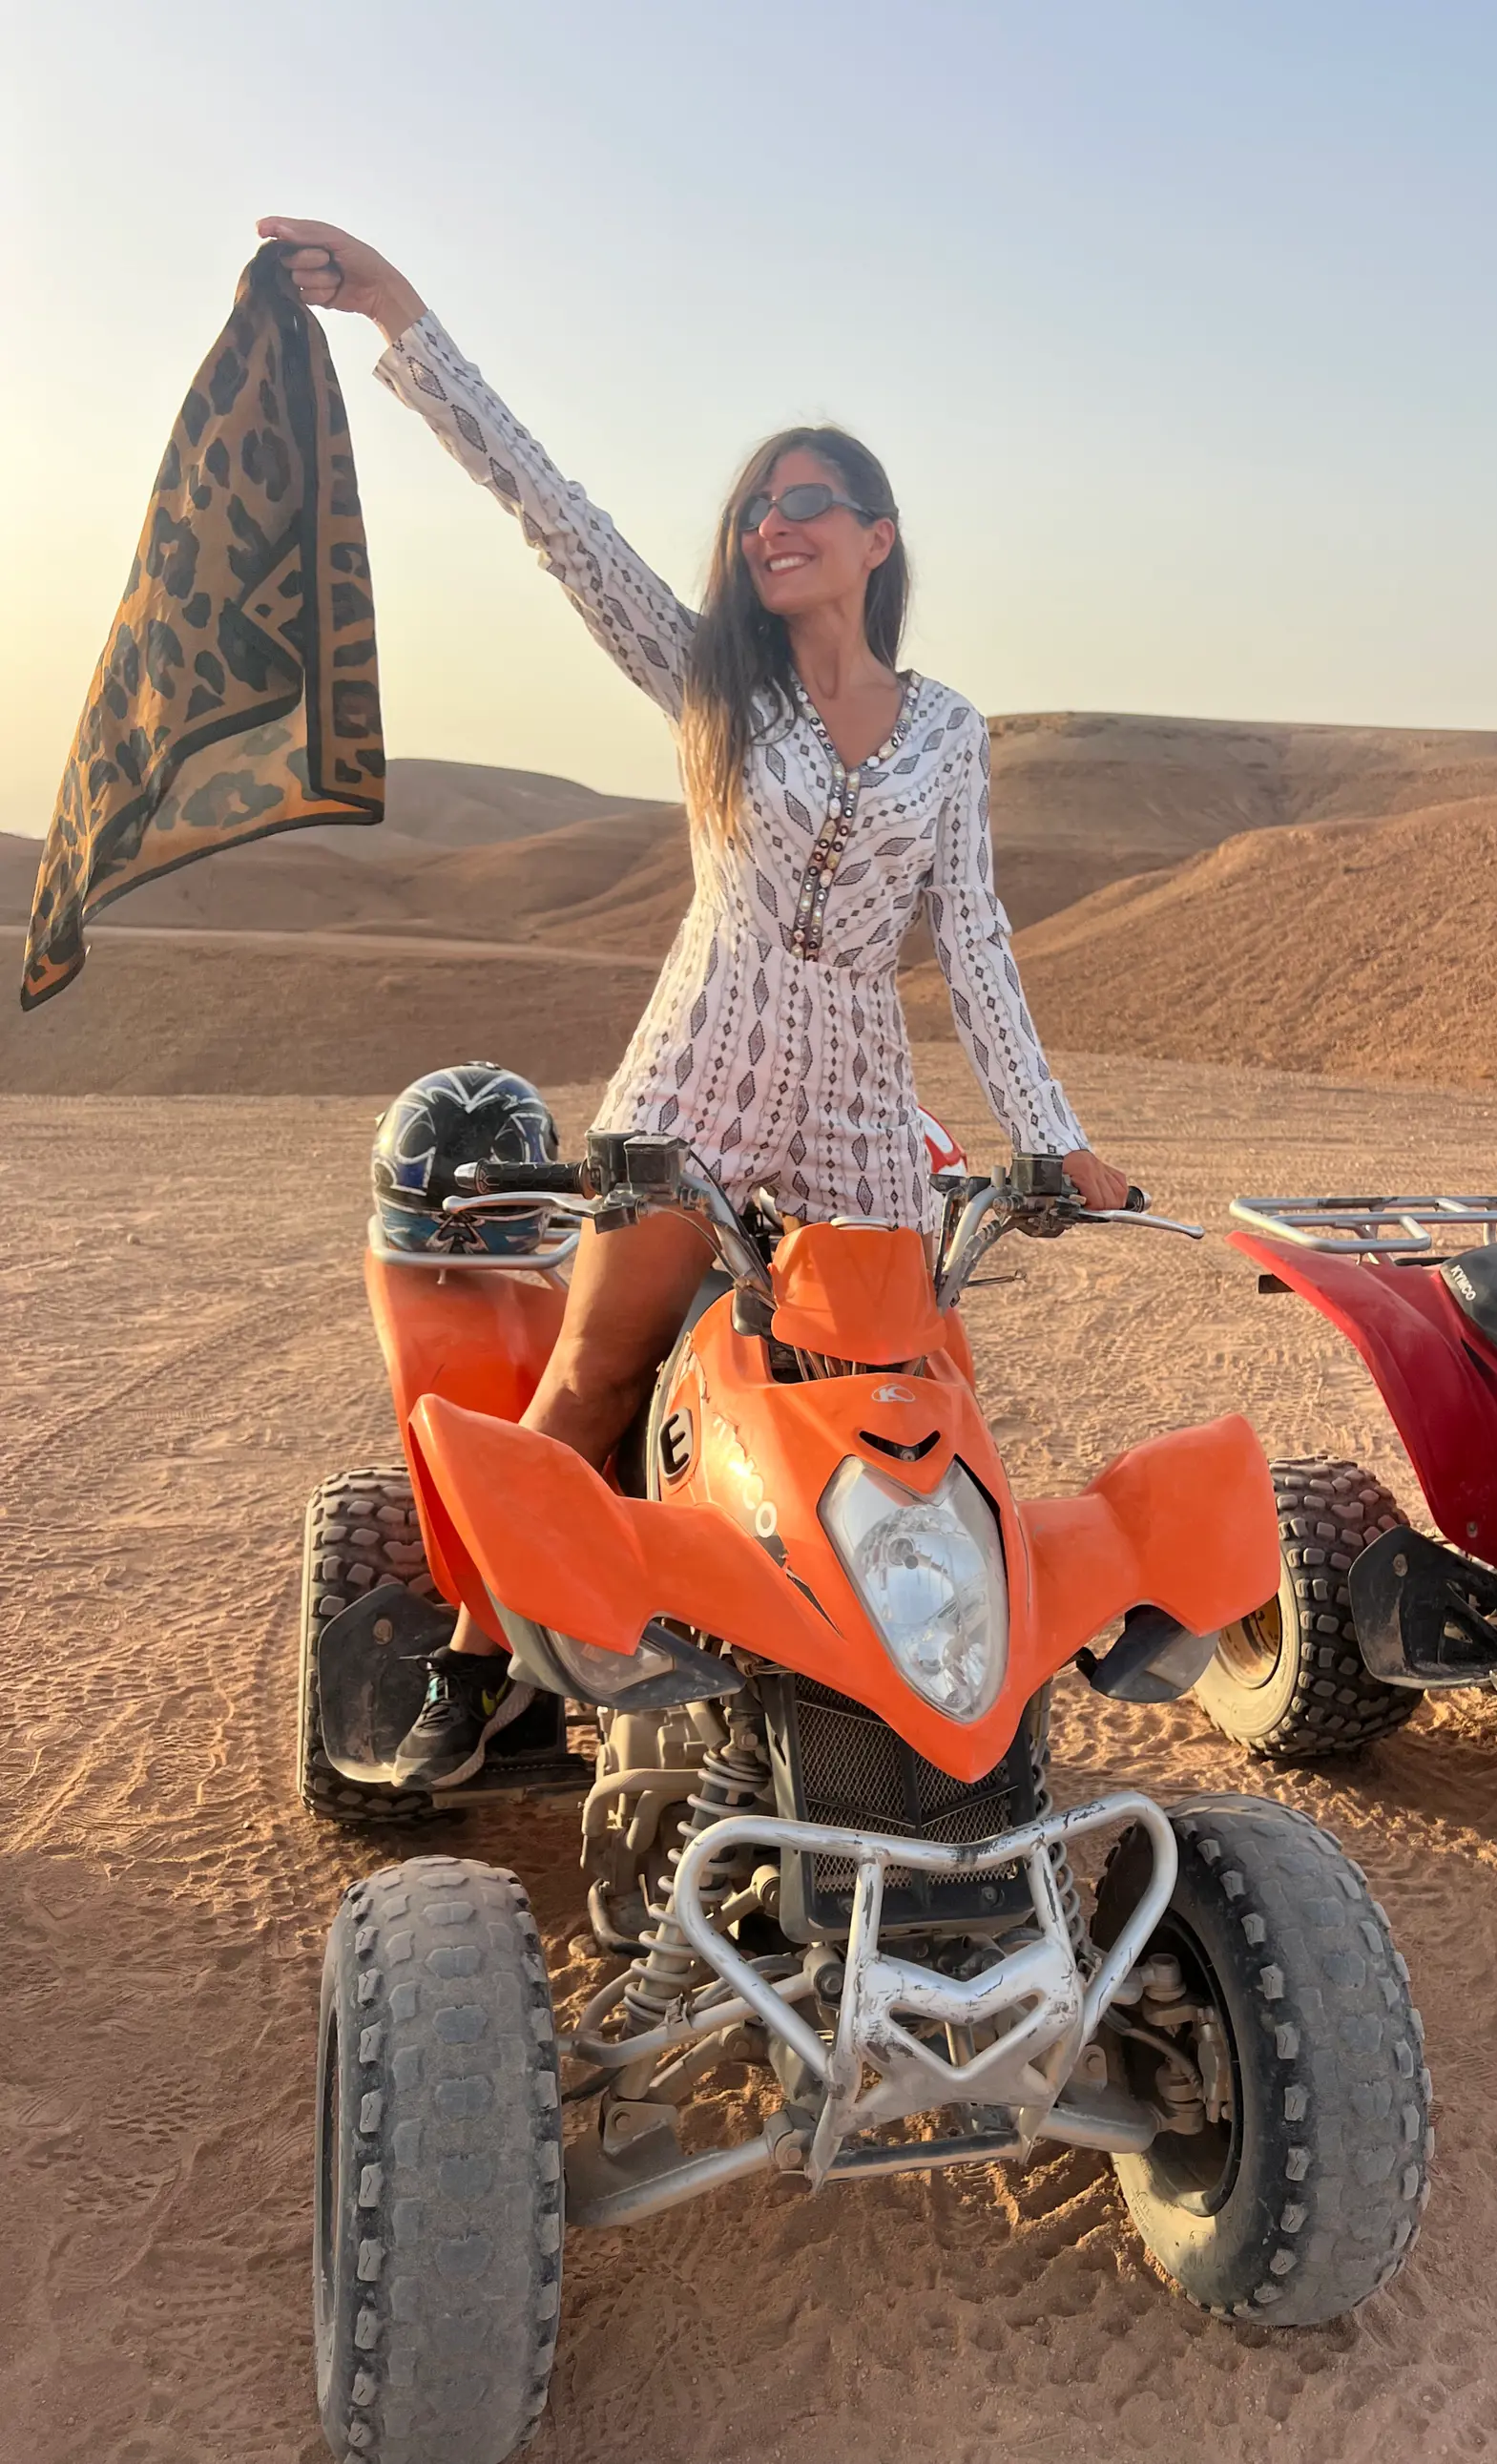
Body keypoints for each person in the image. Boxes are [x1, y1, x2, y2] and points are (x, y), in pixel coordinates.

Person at [259, 218, 1133, 1787]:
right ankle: (484, 1666)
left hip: (861, 1091)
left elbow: (977, 941)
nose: (770, 527)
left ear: (877, 537)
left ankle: (910, 1706)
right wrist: (401, 320)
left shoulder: (950, 732)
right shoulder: (714, 679)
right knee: (596, 1368)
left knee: (905, 1389)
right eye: (754, 511)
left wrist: (1054, 1138)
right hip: (704, 1060)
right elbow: (558, 518)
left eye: (805, 503)